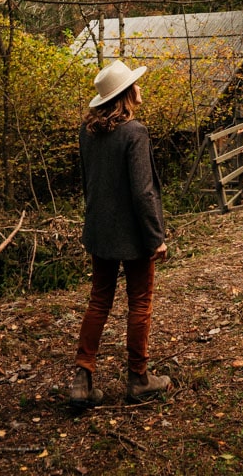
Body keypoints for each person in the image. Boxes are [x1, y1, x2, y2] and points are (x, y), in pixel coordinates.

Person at [70, 59, 171, 406]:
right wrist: (155, 237)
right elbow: (143, 192)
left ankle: (82, 380)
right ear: (126, 93)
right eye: (136, 84)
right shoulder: (134, 133)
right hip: (134, 236)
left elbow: (89, 185)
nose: (141, 88)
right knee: (140, 303)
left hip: (99, 231)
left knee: (99, 300)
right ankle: (139, 379)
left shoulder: (88, 133)